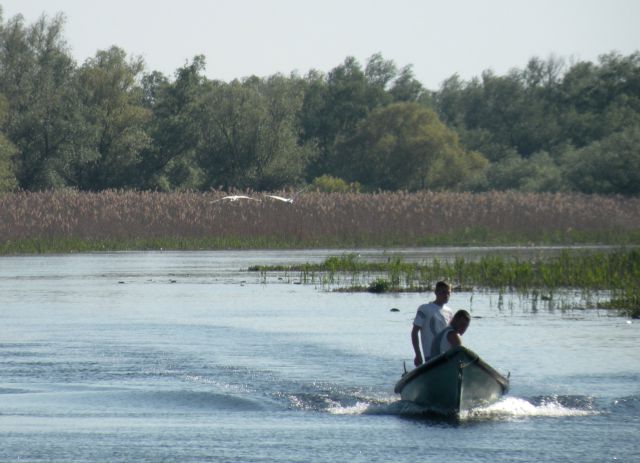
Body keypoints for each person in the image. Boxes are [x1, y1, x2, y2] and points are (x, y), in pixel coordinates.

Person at [411, 281, 453, 366]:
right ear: (436, 292)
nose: (446, 295)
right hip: (431, 355)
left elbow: (451, 334)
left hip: (447, 355)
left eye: (448, 293)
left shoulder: (450, 312)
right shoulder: (425, 309)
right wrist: (418, 354)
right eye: (443, 292)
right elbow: (414, 332)